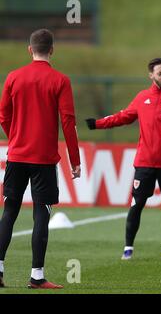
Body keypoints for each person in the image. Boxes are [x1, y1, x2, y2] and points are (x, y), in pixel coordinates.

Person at [85, 58, 161, 261]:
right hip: (144, 162)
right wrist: (97, 124)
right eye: (160, 73)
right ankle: (128, 248)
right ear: (151, 75)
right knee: (137, 203)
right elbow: (123, 116)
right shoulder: (143, 98)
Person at [0, 29, 81, 289]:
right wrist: (74, 159)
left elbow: (3, 114)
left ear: (29, 49)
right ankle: (36, 276)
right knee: (41, 215)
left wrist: (15, 138)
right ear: (52, 50)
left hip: (17, 156)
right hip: (44, 159)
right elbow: (68, 121)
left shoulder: (14, 77)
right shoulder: (60, 80)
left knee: (9, 211)